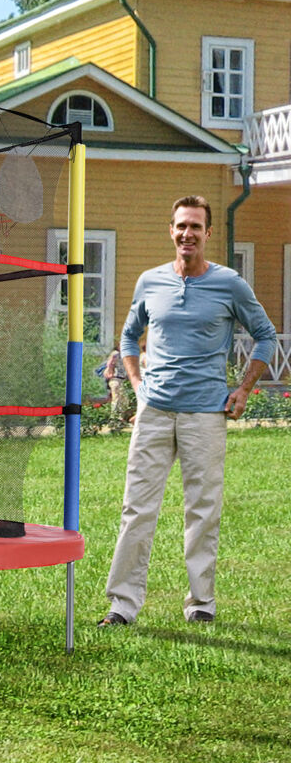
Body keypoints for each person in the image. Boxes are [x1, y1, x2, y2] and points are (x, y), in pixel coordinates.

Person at [98, 195, 276, 627]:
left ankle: (201, 603)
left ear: (208, 234)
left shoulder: (229, 284)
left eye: (196, 227)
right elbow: (127, 340)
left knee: (202, 508)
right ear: (171, 230)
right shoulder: (150, 282)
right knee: (137, 509)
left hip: (204, 416)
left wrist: (244, 389)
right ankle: (122, 606)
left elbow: (265, 336)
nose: (187, 234)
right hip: (155, 413)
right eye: (181, 226)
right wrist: (138, 387)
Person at [103, 343, 127, 420]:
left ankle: (119, 416)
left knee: (120, 398)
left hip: (121, 378)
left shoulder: (122, 354)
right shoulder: (116, 354)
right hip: (116, 378)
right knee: (116, 397)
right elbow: (110, 363)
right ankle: (115, 416)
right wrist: (110, 372)